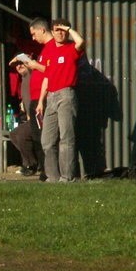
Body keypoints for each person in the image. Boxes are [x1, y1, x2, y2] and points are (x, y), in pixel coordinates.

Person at [34, 17, 86, 182]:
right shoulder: (49, 49)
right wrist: (41, 101)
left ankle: (67, 177)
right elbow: (47, 77)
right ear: (52, 31)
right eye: (57, 30)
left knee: (66, 137)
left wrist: (69, 29)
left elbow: (81, 41)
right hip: (51, 96)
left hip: (66, 95)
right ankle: (52, 177)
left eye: (63, 30)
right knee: (47, 141)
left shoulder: (71, 48)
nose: (60, 33)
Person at [8, 54, 45, 176]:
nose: (19, 66)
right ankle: (32, 163)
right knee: (14, 134)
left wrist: (21, 57)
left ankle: (33, 165)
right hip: (31, 118)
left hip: (41, 117)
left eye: (21, 63)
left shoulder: (32, 74)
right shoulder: (23, 80)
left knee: (22, 135)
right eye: (16, 65)